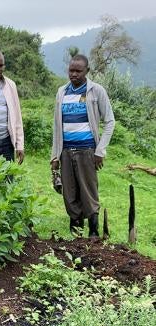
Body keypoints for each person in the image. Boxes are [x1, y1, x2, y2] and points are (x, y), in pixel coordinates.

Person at [51, 54, 115, 238]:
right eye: (71, 70)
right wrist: (54, 156)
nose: (74, 74)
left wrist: (100, 150)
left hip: (87, 151)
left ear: (87, 71)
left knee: (88, 191)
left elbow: (110, 121)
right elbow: (57, 126)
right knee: (69, 192)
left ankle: (93, 231)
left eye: (78, 71)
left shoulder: (96, 91)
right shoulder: (62, 92)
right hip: (65, 151)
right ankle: (76, 231)